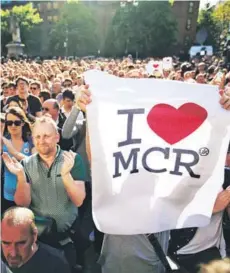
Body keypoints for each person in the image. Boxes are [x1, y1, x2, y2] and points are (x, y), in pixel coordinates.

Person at [76, 86, 230, 273]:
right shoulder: (117, 180)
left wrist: (222, 116)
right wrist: (91, 115)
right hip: (114, 263)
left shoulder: (168, 181)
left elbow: (202, 159)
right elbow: (97, 161)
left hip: (152, 264)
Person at [2, 116, 87, 268]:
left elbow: (78, 200)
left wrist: (66, 175)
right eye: (38, 136)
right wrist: (21, 177)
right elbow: (22, 203)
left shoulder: (72, 159)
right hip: (38, 239)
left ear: (57, 137)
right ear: (33, 139)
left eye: (47, 136)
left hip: (67, 237)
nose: (42, 141)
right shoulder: (26, 164)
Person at [1, 207, 71, 273]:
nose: (13, 253)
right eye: (6, 243)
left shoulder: (56, 264)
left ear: (34, 236)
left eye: (21, 243)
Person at [1, 107, 34, 213]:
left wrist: (13, 152)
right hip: (7, 195)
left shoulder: (30, 141)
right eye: (9, 123)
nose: (13, 126)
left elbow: (36, 162)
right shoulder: (3, 141)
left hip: (27, 195)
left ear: (23, 123)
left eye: (17, 122)